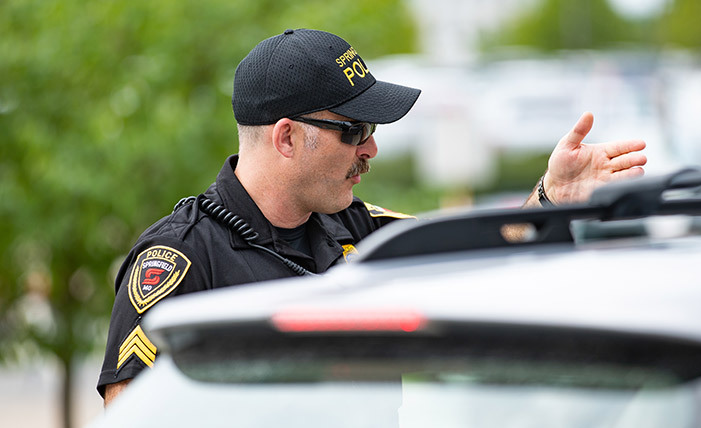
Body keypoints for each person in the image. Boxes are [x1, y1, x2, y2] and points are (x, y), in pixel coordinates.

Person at [98, 28, 646, 405]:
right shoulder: (181, 258)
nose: (371, 150)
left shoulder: (362, 230)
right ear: (287, 137)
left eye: (374, 132)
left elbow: (484, 265)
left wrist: (552, 199)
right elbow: (131, 412)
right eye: (353, 131)